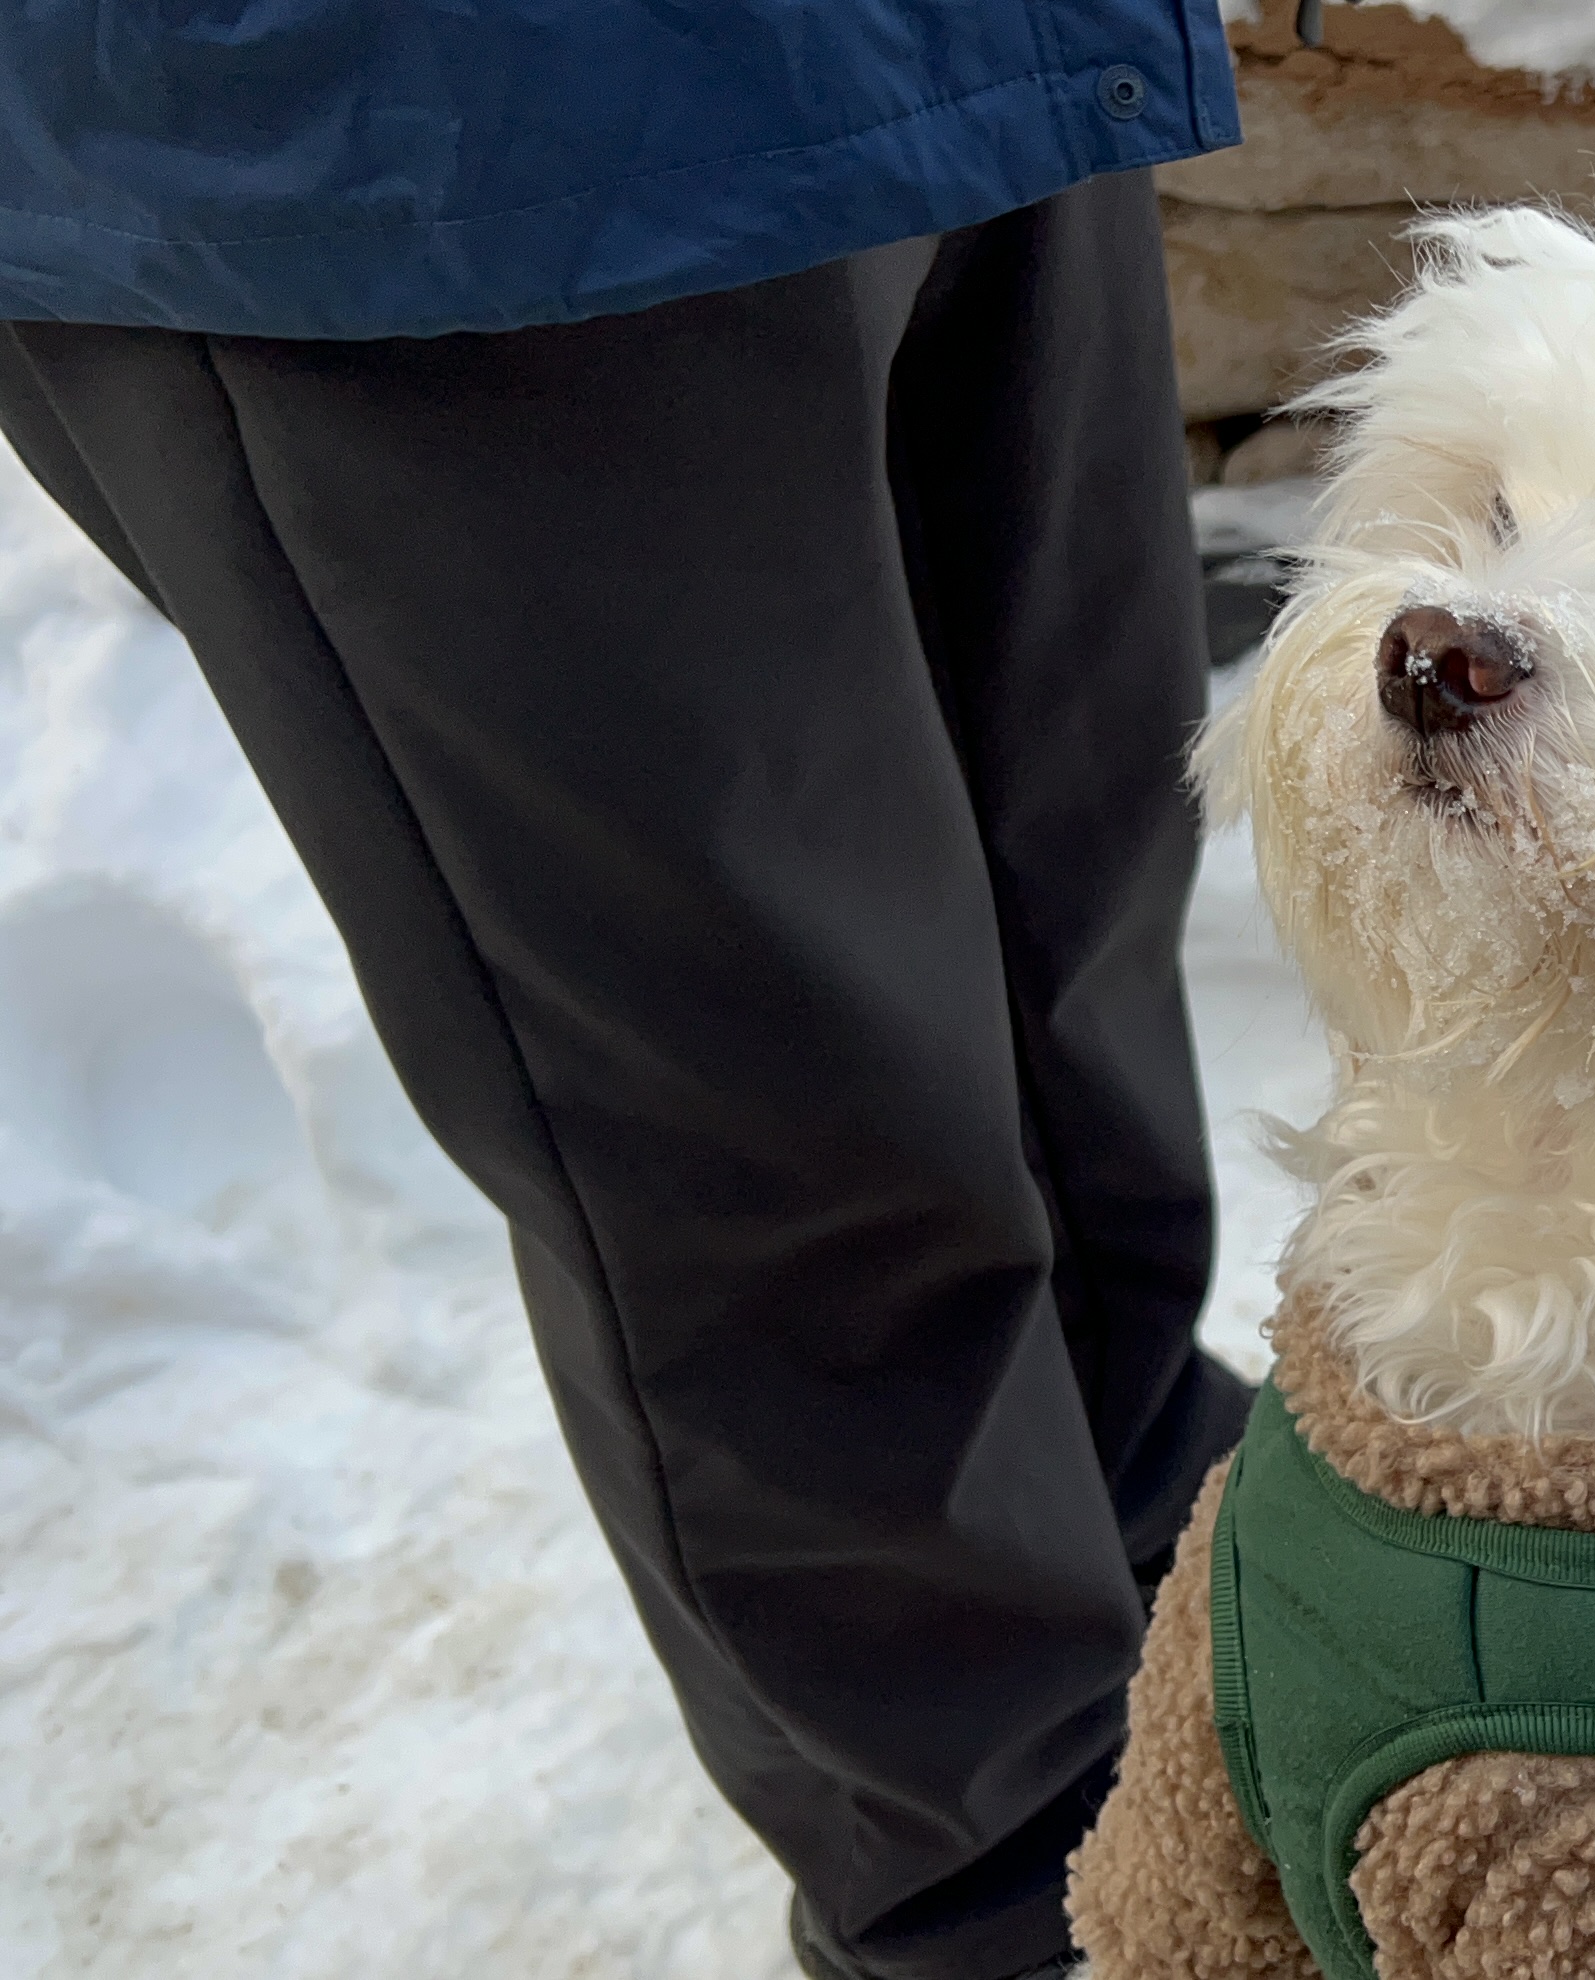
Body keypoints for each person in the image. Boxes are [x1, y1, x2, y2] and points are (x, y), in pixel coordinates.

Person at [0, 9, 1257, 1977]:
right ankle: (1018, 1914)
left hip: (949, 51)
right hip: (429, 135)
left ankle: (1220, 1633)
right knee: (771, 1155)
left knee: (1069, 938)